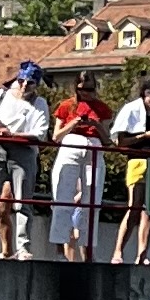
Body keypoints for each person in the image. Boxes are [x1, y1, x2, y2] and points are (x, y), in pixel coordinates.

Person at [0, 65, 51, 260]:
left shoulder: (39, 103)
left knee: (22, 203)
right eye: (21, 81)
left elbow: (39, 134)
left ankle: (23, 247)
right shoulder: (2, 96)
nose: (24, 86)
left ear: (37, 84)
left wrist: (11, 134)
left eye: (30, 82)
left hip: (23, 152)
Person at [107, 79, 150, 260]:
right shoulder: (130, 109)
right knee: (134, 206)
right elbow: (120, 142)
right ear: (147, 94)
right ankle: (118, 251)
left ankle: (142, 254)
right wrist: (144, 135)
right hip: (137, 160)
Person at [47, 86, 108, 260]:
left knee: (92, 203)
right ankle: (59, 251)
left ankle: (88, 251)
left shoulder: (102, 108)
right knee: (62, 199)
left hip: (94, 151)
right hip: (70, 148)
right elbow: (56, 136)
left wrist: (96, 125)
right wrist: (74, 122)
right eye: (82, 88)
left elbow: (108, 140)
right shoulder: (66, 106)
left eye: (90, 88)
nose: (86, 93)